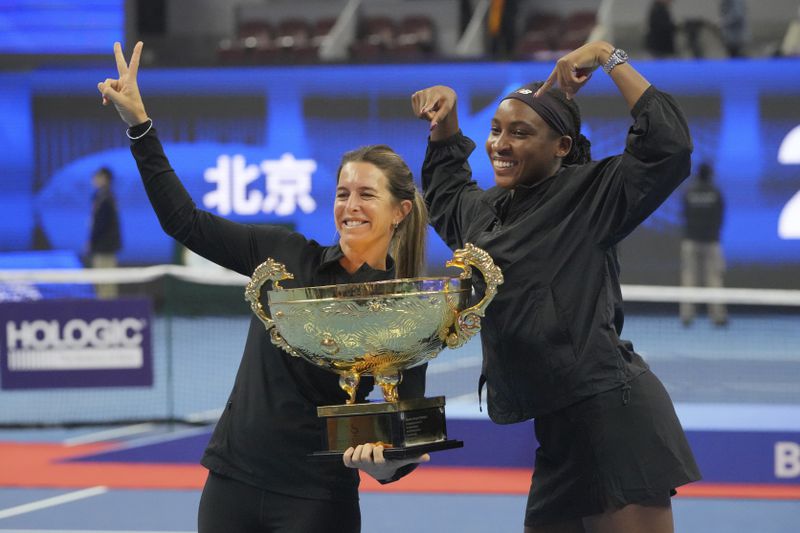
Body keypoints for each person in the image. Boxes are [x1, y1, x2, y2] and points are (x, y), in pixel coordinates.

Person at [98, 41, 430, 533]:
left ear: (400, 211)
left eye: (366, 194)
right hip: (231, 483)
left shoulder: (407, 310)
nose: (351, 205)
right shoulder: (284, 254)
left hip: (316, 501)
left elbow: (404, 436)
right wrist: (139, 127)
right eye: (342, 193)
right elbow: (185, 222)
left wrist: (382, 463)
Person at [411, 40, 701, 532]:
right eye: (496, 130)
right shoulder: (485, 216)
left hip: (615, 424)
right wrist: (446, 122)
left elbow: (668, 145)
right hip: (558, 434)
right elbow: (446, 194)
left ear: (561, 146)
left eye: (521, 133)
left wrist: (608, 55)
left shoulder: (592, 194)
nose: (501, 144)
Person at [680, 162, 727, 327]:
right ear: (710, 174)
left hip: (691, 241)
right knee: (714, 279)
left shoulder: (688, 192)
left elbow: (684, 214)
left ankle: (687, 316)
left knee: (689, 279)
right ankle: (718, 317)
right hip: (711, 242)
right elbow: (721, 216)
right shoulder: (716, 193)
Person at [88, 166, 122, 298]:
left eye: (97, 176)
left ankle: (108, 311)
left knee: (106, 281)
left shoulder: (106, 198)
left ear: (104, 179)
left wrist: (92, 240)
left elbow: (102, 224)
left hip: (105, 247)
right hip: (101, 246)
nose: (94, 179)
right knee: (101, 281)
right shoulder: (100, 196)